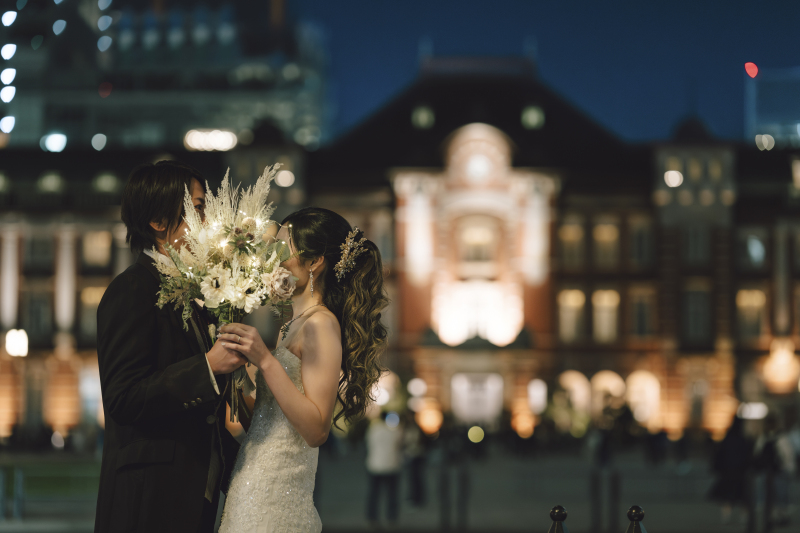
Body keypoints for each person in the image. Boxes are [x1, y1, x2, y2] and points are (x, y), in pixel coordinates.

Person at [95, 161, 247, 533]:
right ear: (159, 222)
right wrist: (207, 367)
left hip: (196, 493)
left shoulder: (197, 292)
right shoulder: (131, 289)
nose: (206, 219)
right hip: (150, 500)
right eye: (196, 208)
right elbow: (122, 397)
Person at [216, 207, 389, 533]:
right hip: (251, 483)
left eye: (283, 249)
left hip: (277, 497)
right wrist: (234, 376)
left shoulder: (322, 325)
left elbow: (315, 430)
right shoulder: (290, 326)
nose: (273, 258)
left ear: (313, 262)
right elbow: (269, 420)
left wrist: (265, 360)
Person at [708, 416, 752, 524]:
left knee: (728, 496)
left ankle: (726, 517)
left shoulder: (728, 438)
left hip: (728, 472)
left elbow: (720, 455)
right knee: (742, 497)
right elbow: (747, 456)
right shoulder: (742, 439)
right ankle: (743, 517)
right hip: (739, 473)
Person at [365, 411, 405, 528]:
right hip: (392, 465)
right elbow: (401, 444)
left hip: (375, 465)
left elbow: (368, 444)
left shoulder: (373, 430)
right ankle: (392, 518)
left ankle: (372, 518)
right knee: (392, 494)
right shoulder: (395, 431)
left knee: (374, 493)